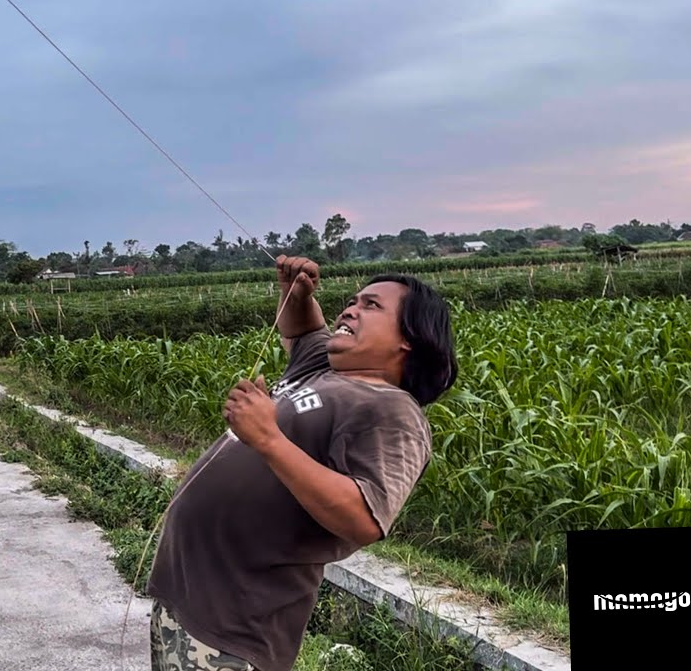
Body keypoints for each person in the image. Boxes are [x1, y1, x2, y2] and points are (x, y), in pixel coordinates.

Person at [145, 255, 458, 671]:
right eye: (352, 301)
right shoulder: (325, 367)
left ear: (409, 339)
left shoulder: (393, 410)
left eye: (371, 305)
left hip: (235, 630)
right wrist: (296, 290)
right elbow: (303, 328)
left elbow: (365, 518)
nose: (350, 309)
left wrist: (269, 439)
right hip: (186, 603)